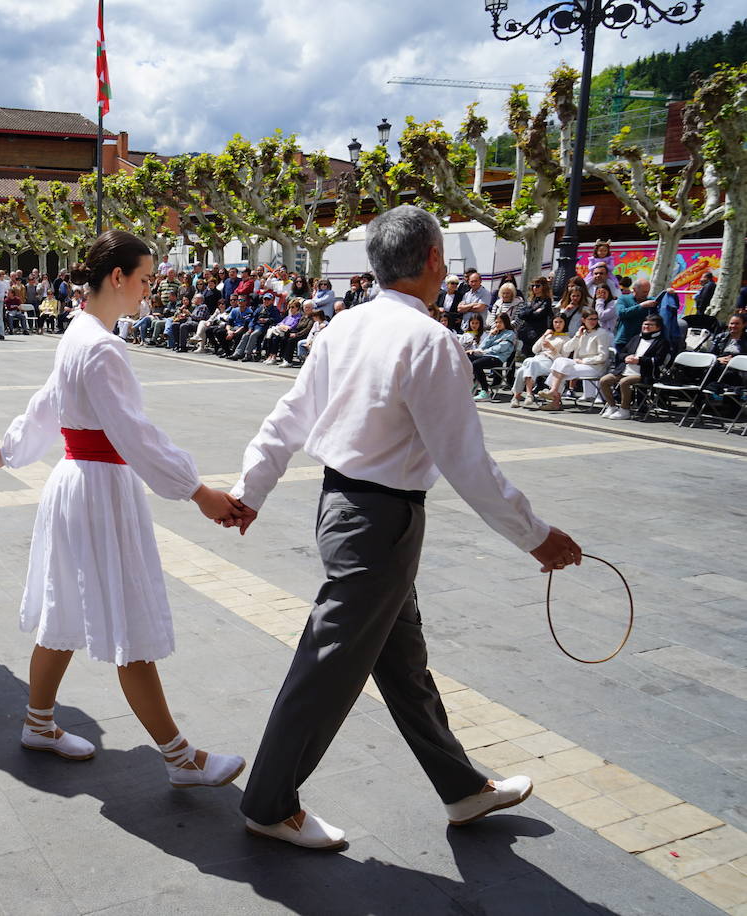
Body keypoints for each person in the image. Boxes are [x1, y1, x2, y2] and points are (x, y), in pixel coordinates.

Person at [229, 205, 578, 850]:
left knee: (402, 661)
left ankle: (462, 788)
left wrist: (251, 490)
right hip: (381, 520)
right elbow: (466, 461)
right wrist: (536, 535)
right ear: (432, 262)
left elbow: (287, 417)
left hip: (343, 508)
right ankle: (269, 802)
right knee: (329, 662)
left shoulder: (344, 326)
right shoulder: (430, 341)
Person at [0, 230, 248, 785]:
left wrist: (6, 453)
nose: (148, 292)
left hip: (79, 483)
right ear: (118, 277)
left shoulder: (79, 333)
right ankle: (179, 758)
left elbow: (47, 406)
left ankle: (39, 721)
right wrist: (198, 492)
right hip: (99, 486)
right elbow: (134, 434)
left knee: (66, 608)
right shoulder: (101, 345)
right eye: (145, 279)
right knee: (127, 619)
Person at [594, 313, 669, 420]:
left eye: (650, 325)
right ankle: (612, 406)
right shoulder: (636, 338)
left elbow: (658, 361)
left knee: (624, 382)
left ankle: (624, 410)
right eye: (645, 324)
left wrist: (639, 360)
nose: (646, 327)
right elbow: (622, 353)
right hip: (625, 370)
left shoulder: (662, 342)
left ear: (658, 327)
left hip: (644, 373)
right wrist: (626, 357)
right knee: (604, 380)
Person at [540, 309, 614, 412]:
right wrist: (577, 336)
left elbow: (603, 356)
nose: (593, 321)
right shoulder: (582, 333)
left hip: (595, 367)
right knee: (560, 361)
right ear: (583, 320)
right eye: (590, 319)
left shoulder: (601, 333)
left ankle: (554, 399)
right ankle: (554, 392)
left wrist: (584, 361)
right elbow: (566, 349)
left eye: (595, 319)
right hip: (578, 363)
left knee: (561, 370)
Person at [510, 313, 570, 407]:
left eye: (560, 322)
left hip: (551, 362)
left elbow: (563, 358)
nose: (557, 324)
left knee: (528, 364)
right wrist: (544, 336)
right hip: (538, 358)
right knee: (524, 368)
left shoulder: (566, 338)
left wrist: (552, 348)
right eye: (555, 322)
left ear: (565, 323)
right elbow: (534, 349)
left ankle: (526, 395)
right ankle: (520, 396)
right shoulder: (548, 335)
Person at [465, 312, 516, 401]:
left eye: (500, 322)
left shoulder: (510, 334)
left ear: (506, 322)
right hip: (487, 355)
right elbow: (482, 346)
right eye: (496, 322)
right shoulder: (495, 333)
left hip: (497, 358)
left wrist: (483, 351)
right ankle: (470, 383)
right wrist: (490, 335)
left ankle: (485, 391)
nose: (498, 324)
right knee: (467, 357)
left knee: (476, 364)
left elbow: (501, 348)